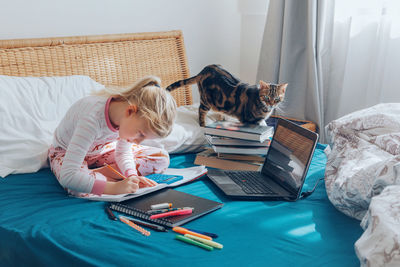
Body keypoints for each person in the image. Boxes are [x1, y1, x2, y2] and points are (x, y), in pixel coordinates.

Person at [48, 76, 177, 197]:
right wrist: (115, 188)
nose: (138, 142)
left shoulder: (126, 120)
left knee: (161, 158)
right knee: (75, 186)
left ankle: (92, 175)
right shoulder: (92, 119)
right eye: (141, 134)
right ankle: (91, 177)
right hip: (65, 152)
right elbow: (68, 177)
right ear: (130, 111)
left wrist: (132, 176)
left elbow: (122, 153)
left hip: (100, 151)